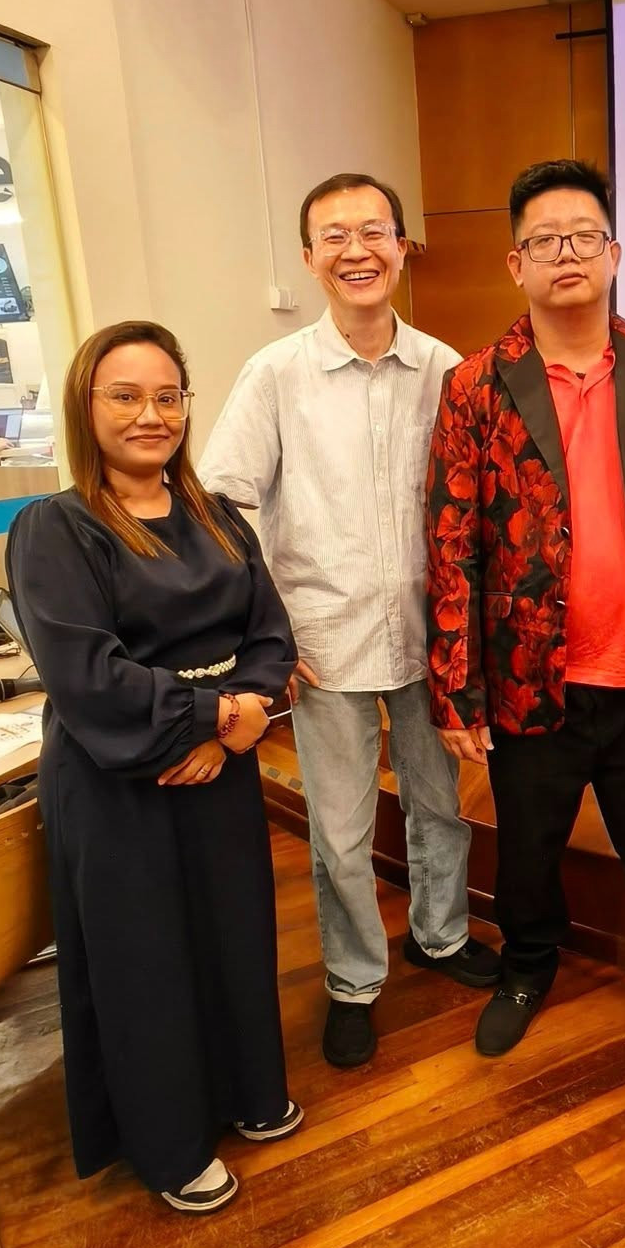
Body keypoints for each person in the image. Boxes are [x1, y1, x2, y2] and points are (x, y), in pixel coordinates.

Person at [426, 158, 625, 1079]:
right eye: (545, 240)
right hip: (525, 674)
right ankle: (525, 969)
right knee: (526, 850)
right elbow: (451, 540)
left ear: (613, 254)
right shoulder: (477, 384)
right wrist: (455, 688)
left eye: (583, 237)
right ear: (516, 263)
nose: (566, 254)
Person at [200, 173, 497, 1072]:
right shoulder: (275, 373)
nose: (356, 250)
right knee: (337, 831)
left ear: (402, 246)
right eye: (334, 236)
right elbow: (220, 504)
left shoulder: (447, 369)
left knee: (440, 808)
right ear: (309, 258)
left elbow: (479, 508)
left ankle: (440, 936)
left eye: (373, 231)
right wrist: (260, 635)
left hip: (430, 638)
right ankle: (353, 981)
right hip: (319, 645)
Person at [7, 321, 300, 1214]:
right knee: (146, 960)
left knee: (232, 933)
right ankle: (170, 1146)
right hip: (118, 780)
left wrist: (234, 724)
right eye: (126, 397)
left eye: (167, 397)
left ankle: (249, 1091)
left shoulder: (219, 518)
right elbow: (85, 674)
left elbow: (269, 636)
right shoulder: (55, 528)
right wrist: (218, 716)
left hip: (221, 768)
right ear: (86, 406)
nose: (151, 415)